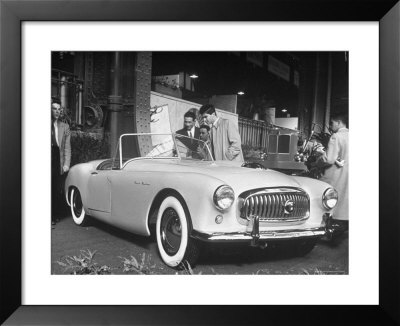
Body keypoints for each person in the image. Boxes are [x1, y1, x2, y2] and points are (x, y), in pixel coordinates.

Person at [316, 113, 349, 234]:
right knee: (346, 202)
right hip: (348, 174)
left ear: (339, 123)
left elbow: (329, 159)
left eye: (332, 123)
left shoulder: (336, 136)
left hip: (336, 175)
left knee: (328, 200)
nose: (330, 126)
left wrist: (317, 161)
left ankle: (328, 229)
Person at [51, 99, 71, 225]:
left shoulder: (65, 127)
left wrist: (66, 164)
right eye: (54, 109)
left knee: (55, 188)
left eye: (59, 109)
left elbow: (67, 147)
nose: (57, 111)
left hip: (57, 159)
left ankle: (53, 215)